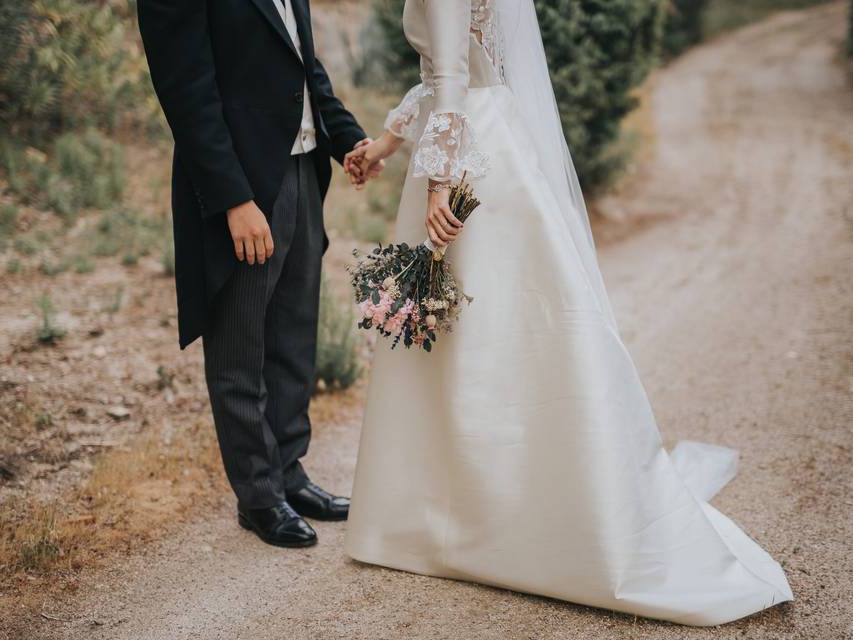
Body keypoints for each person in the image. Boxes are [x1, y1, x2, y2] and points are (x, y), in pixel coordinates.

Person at [342, 0, 794, 626]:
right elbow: (449, 73)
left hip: (466, 163)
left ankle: (463, 516)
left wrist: (440, 184)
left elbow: (448, 79)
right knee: (482, 330)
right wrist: (389, 143)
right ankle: (458, 506)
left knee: (476, 329)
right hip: (487, 137)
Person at [137, 0, 383, 548]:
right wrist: (233, 201)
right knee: (239, 346)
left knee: (293, 339)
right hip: (241, 187)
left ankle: (290, 474)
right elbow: (187, 93)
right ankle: (258, 495)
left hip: (301, 170)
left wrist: (348, 141)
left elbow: (305, 67)